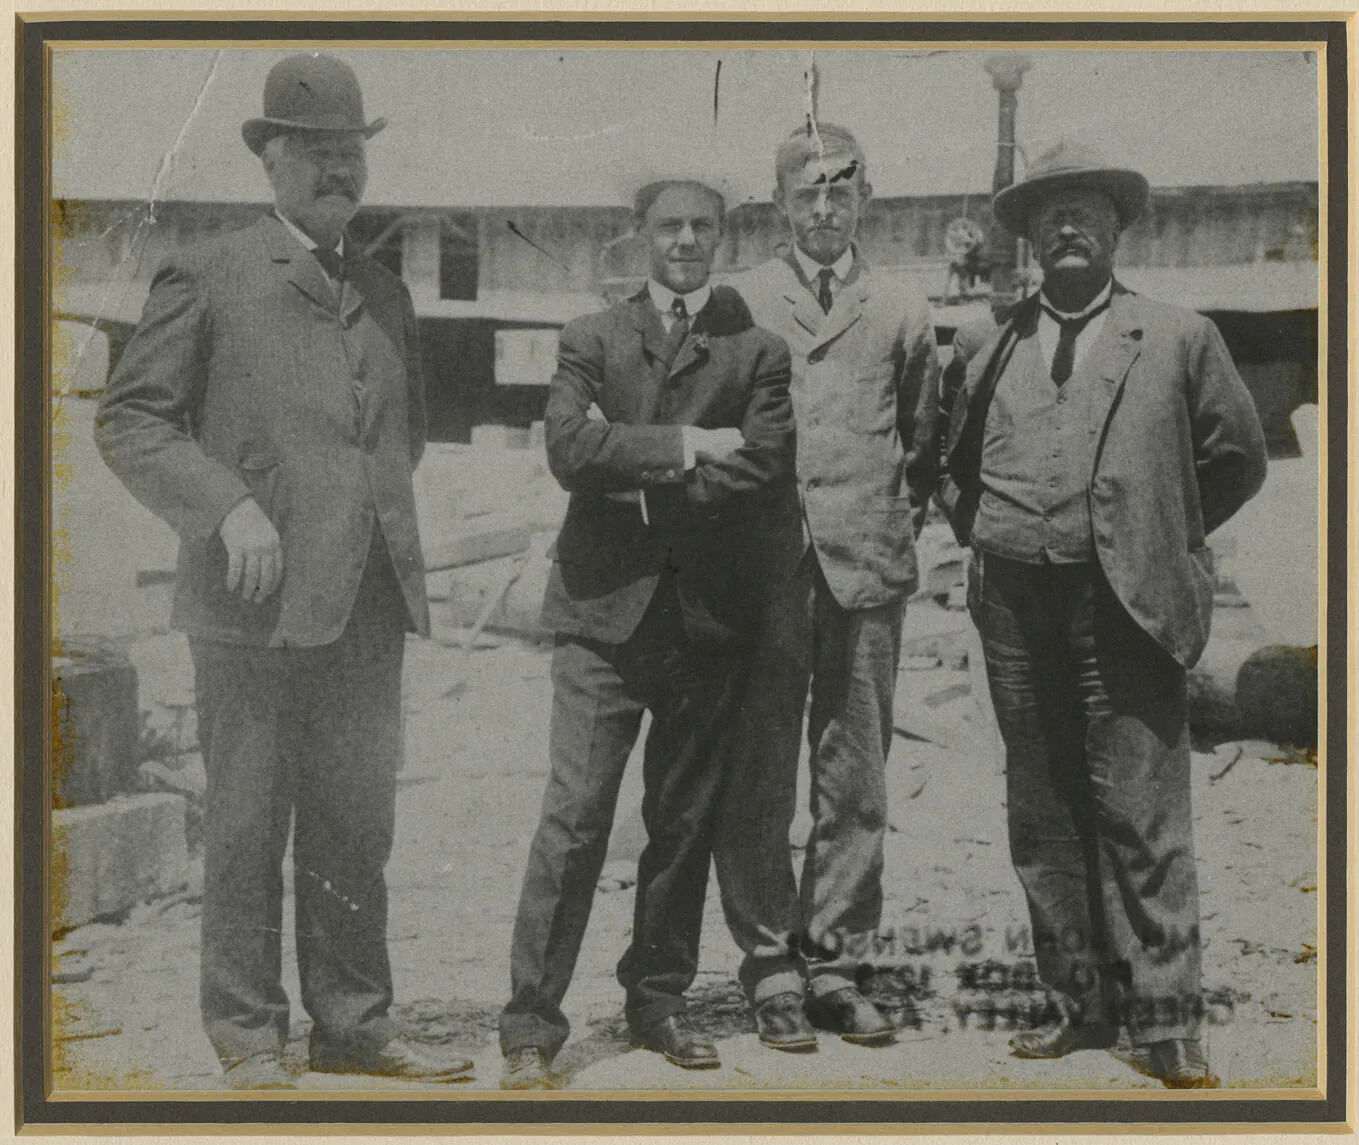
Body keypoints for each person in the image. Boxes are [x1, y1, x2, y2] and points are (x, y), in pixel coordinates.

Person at [95, 53, 470, 1089]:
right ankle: (249, 1032)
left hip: (368, 604)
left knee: (358, 825)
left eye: (350, 152)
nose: (336, 170)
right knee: (250, 825)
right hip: (250, 608)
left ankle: (354, 1023)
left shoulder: (388, 289)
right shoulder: (208, 272)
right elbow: (130, 420)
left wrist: (349, 526)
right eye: (313, 151)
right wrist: (230, 507)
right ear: (271, 161)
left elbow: (405, 440)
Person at [937, 140, 1267, 1089]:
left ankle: (1164, 1021)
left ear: (1118, 227)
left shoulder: (1176, 335)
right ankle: (1079, 1005)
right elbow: (950, 462)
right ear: (1029, 236)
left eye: (1086, 210)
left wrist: (1156, 533)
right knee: (1041, 812)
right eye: (1050, 214)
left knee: (1141, 812)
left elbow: (1234, 458)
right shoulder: (983, 340)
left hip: (1124, 604)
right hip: (1013, 603)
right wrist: (993, 529)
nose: (1067, 226)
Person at [497, 179, 795, 1090]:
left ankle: (657, 997)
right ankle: (531, 1021)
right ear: (641, 236)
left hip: (707, 620)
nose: (686, 241)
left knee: (681, 821)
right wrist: (685, 446)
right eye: (669, 226)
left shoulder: (758, 348)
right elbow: (563, 450)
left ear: (724, 236)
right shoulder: (593, 335)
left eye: (703, 226)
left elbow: (764, 469)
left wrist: (626, 466)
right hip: (602, 616)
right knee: (577, 814)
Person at [714, 122, 941, 1052]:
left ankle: (837, 965)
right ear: (777, 202)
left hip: (866, 569)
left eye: (839, 189)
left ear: (865, 199)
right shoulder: (740, 300)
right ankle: (769, 965)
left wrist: (877, 521)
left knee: (853, 778)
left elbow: (921, 443)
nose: (821, 206)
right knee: (758, 773)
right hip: (764, 575)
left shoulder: (901, 307)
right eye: (803, 191)